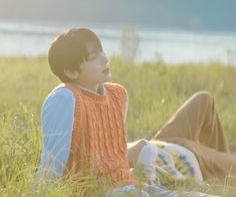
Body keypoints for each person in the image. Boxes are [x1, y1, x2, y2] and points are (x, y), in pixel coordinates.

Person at [36, 28, 220, 196]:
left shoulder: (118, 94)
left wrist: (141, 156)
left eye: (101, 51)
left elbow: (114, 155)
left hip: (130, 185)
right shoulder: (65, 98)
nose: (104, 59)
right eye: (93, 56)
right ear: (70, 71)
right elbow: (51, 165)